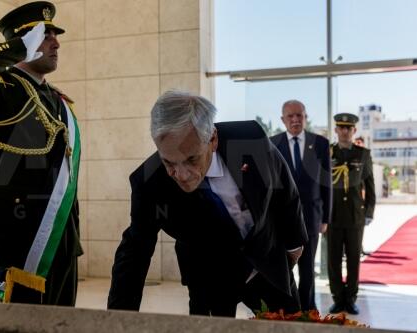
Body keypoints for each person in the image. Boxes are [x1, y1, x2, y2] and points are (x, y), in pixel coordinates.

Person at [107, 91, 308, 317]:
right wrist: (118, 320)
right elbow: (134, 253)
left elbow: (283, 184)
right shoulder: (148, 182)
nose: (181, 175)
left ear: (212, 139)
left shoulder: (250, 138)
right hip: (207, 275)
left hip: (266, 262)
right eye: (169, 162)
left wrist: (293, 243)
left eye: (192, 159)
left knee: (289, 324)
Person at [0, 1, 82, 305]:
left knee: (63, 323)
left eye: (54, 35)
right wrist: (17, 49)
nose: (56, 42)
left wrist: (71, 238)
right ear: (24, 42)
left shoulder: (57, 99)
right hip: (21, 243)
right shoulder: (2, 92)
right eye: (45, 35)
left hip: (62, 235)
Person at [270, 100, 331, 311]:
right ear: (283, 120)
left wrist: (326, 219)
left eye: (299, 115)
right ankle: (288, 309)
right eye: (290, 116)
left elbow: (327, 184)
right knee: (284, 268)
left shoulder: (321, 144)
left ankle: (308, 309)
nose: (295, 120)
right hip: (282, 219)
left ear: (306, 117)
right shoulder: (272, 144)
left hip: (312, 217)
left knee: (307, 270)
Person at [327, 113, 375, 315]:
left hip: (356, 216)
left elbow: (370, 186)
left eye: (349, 128)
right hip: (332, 216)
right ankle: (338, 299)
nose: (345, 131)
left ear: (354, 130)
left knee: (354, 259)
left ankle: (351, 298)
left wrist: (369, 212)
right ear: (336, 130)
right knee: (333, 260)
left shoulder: (363, 154)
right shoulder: (326, 152)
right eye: (341, 127)